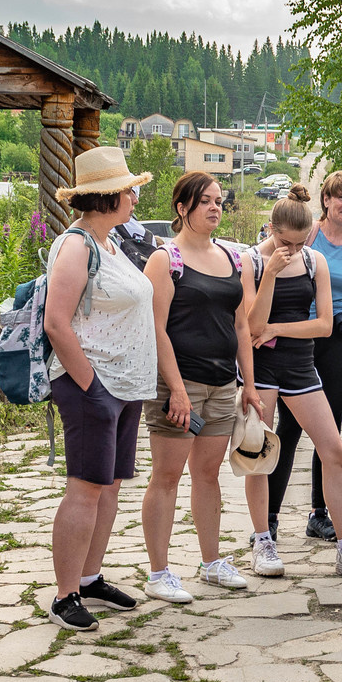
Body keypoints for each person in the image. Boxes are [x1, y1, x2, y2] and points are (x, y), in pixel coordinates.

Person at [245, 195, 342, 577]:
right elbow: (250, 326)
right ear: (271, 230)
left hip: (300, 365)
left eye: (300, 243)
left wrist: (277, 329)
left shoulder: (315, 261)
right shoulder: (252, 262)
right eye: (286, 242)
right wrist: (271, 274)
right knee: (260, 454)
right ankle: (263, 541)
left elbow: (325, 324)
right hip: (261, 369)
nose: (293, 250)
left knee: (334, 450)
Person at [43, 145, 159, 631]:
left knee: (108, 487)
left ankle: (89, 578)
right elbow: (56, 322)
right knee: (86, 488)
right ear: (107, 196)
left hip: (122, 385)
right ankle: (64, 595)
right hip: (93, 384)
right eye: (129, 190)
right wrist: (92, 387)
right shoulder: (76, 245)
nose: (134, 197)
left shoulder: (108, 243)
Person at [139, 171, 267, 602]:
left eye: (218, 201)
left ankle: (211, 563)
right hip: (180, 385)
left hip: (222, 384)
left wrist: (249, 385)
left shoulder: (233, 257)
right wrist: (176, 389)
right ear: (182, 208)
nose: (215, 208)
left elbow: (241, 325)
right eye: (205, 201)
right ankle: (159, 573)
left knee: (208, 475)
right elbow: (156, 328)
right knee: (167, 476)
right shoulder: (165, 259)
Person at [261, 171, 342, 546]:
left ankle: (319, 513)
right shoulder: (305, 236)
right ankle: (269, 516)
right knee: (289, 429)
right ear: (325, 200)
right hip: (297, 338)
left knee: (329, 432)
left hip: (339, 341)